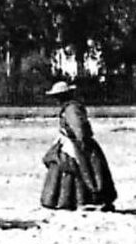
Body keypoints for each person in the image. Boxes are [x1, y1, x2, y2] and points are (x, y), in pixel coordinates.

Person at [41, 82, 118, 211]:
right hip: (71, 141)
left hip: (76, 144)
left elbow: (79, 129)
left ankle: (86, 200)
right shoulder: (70, 108)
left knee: (82, 168)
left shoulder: (71, 109)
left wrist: (80, 142)